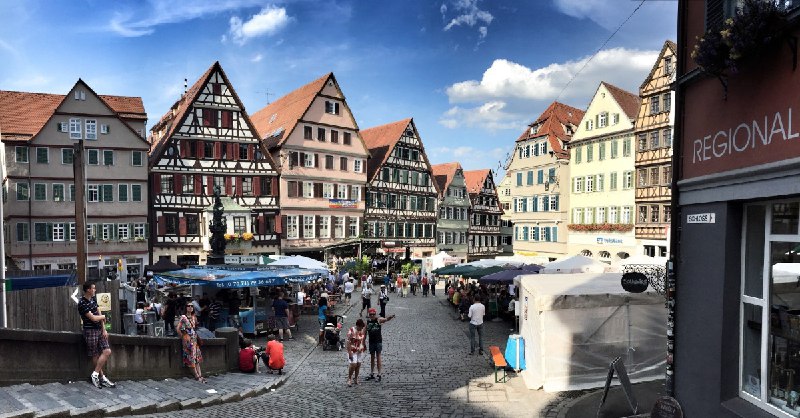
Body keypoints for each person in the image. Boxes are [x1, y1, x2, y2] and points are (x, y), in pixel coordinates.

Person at [78, 282, 115, 389]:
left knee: (107, 351)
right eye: (93, 288)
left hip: (99, 330)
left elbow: (98, 313)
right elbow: (93, 318)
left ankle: (94, 374)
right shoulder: (82, 303)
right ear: (88, 290)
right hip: (90, 331)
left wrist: (104, 330)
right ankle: (102, 377)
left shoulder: (93, 300)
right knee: (95, 354)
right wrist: (103, 316)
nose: (95, 290)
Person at [364, 308, 395, 382]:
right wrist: (363, 343)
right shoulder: (367, 322)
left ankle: (379, 373)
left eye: (373, 314)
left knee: (378, 357)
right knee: (372, 357)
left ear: (375, 314)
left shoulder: (378, 320)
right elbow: (365, 333)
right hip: (371, 341)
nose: (372, 316)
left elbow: (386, 319)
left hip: (378, 341)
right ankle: (372, 373)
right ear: (369, 315)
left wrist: (390, 317)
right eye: (370, 314)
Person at [178, 302, 205, 382]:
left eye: (191, 306)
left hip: (195, 340)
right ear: (186, 307)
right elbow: (178, 329)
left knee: (197, 358)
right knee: (191, 358)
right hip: (188, 341)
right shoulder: (183, 317)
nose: (190, 307)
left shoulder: (194, 317)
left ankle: (200, 375)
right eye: (188, 306)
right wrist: (184, 337)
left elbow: (194, 328)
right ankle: (197, 376)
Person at [346, 319, 367, 386]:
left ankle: (356, 378)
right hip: (352, 350)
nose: (361, 328)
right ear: (357, 325)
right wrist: (350, 353)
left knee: (358, 364)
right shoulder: (352, 330)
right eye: (361, 327)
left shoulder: (362, 330)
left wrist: (364, 345)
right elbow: (348, 342)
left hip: (360, 350)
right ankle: (349, 379)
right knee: (353, 365)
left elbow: (363, 339)